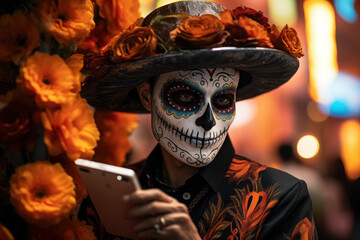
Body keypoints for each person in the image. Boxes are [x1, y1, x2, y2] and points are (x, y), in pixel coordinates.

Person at [79, 1, 317, 239]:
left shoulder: (280, 198)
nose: (208, 120)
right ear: (146, 96)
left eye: (222, 101)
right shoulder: (110, 196)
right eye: (185, 96)